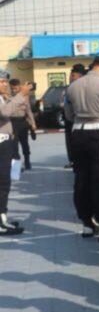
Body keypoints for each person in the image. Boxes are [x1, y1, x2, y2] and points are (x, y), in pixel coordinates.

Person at [64, 52, 99, 242]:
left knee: (81, 179)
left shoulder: (73, 86)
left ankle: (87, 224)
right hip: (98, 134)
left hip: (77, 134)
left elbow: (68, 115)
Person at [0, 71, 31, 235]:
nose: (5, 84)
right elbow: (5, 113)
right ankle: (1, 222)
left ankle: (2, 217)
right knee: (3, 183)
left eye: (5, 81)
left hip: (5, 141)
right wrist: (20, 95)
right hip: (1, 143)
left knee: (4, 182)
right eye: (2, 81)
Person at [9, 79, 36, 170]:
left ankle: (27, 162)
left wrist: (33, 123)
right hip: (12, 123)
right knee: (14, 146)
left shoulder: (24, 97)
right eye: (12, 88)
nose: (14, 90)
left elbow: (28, 111)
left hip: (22, 122)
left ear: (19, 86)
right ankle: (17, 166)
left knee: (25, 144)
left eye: (15, 88)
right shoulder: (8, 97)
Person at [64, 64, 86, 169]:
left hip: (75, 119)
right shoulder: (70, 87)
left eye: (73, 75)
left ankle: (76, 162)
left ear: (80, 76)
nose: (70, 77)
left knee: (76, 143)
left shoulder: (80, 87)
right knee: (69, 141)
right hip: (69, 118)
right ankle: (72, 160)